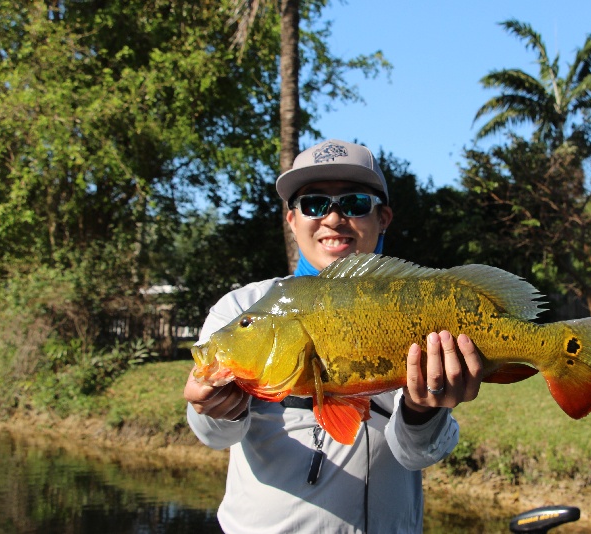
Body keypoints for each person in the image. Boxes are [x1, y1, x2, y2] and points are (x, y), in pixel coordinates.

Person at [183, 139, 485, 533]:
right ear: (291, 221)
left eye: (355, 203)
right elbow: (214, 434)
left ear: (384, 218)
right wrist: (215, 407)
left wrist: (423, 411)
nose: (333, 218)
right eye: (313, 204)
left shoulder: (419, 307)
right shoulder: (244, 308)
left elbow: (420, 454)